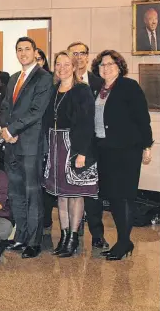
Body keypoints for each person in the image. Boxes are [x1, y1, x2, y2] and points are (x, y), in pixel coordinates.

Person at [91, 50, 153, 260]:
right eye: (102, 65)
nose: (105, 68)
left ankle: (124, 242)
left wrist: (147, 146)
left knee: (123, 197)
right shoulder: (98, 89)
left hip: (127, 150)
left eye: (110, 64)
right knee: (114, 197)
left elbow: (142, 118)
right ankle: (124, 240)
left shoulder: (129, 86)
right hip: (105, 150)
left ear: (119, 66)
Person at [0, 37, 53, 259]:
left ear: (35, 51)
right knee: (16, 193)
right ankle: (20, 236)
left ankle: (34, 241)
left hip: (30, 144)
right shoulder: (13, 78)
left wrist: (12, 130)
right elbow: (4, 106)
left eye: (27, 49)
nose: (23, 53)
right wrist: (4, 129)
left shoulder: (43, 78)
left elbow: (36, 111)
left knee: (32, 194)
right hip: (11, 145)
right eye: (19, 49)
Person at [42, 51, 98, 258]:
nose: (62, 67)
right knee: (61, 195)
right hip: (55, 145)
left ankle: (74, 237)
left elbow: (86, 123)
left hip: (73, 145)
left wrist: (82, 152)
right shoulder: (54, 90)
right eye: (58, 64)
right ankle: (64, 236)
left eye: (67, 64)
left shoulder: (81, 90)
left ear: (74, 67)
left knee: (75, 194)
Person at [66, 41, 107, 248]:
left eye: (83, 53)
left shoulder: (98, 83)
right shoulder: (64, 81)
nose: (79, 57)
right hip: (68, 145)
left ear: (88, 57)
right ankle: (74, 230)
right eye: (74, 53)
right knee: (71, 190)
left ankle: (97, 233)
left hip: (92, 145)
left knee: (92, 192)